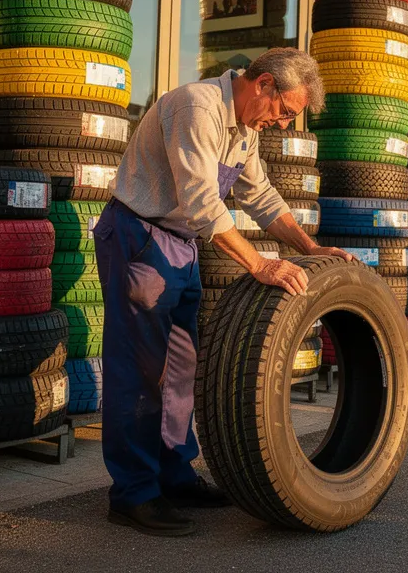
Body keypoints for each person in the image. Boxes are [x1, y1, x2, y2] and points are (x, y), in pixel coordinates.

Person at [93, 47, 355, 536]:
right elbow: (201, 202)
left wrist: (310, 247)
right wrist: (260, 264)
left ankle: (175, 477)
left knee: (180, 369)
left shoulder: (245, 128)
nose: (282, 124)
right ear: (263, 84)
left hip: (180, 246)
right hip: (140, 239)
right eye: (284, 111)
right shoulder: (197, 107)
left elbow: (260, 196)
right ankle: (134, 494)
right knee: (140, 372)